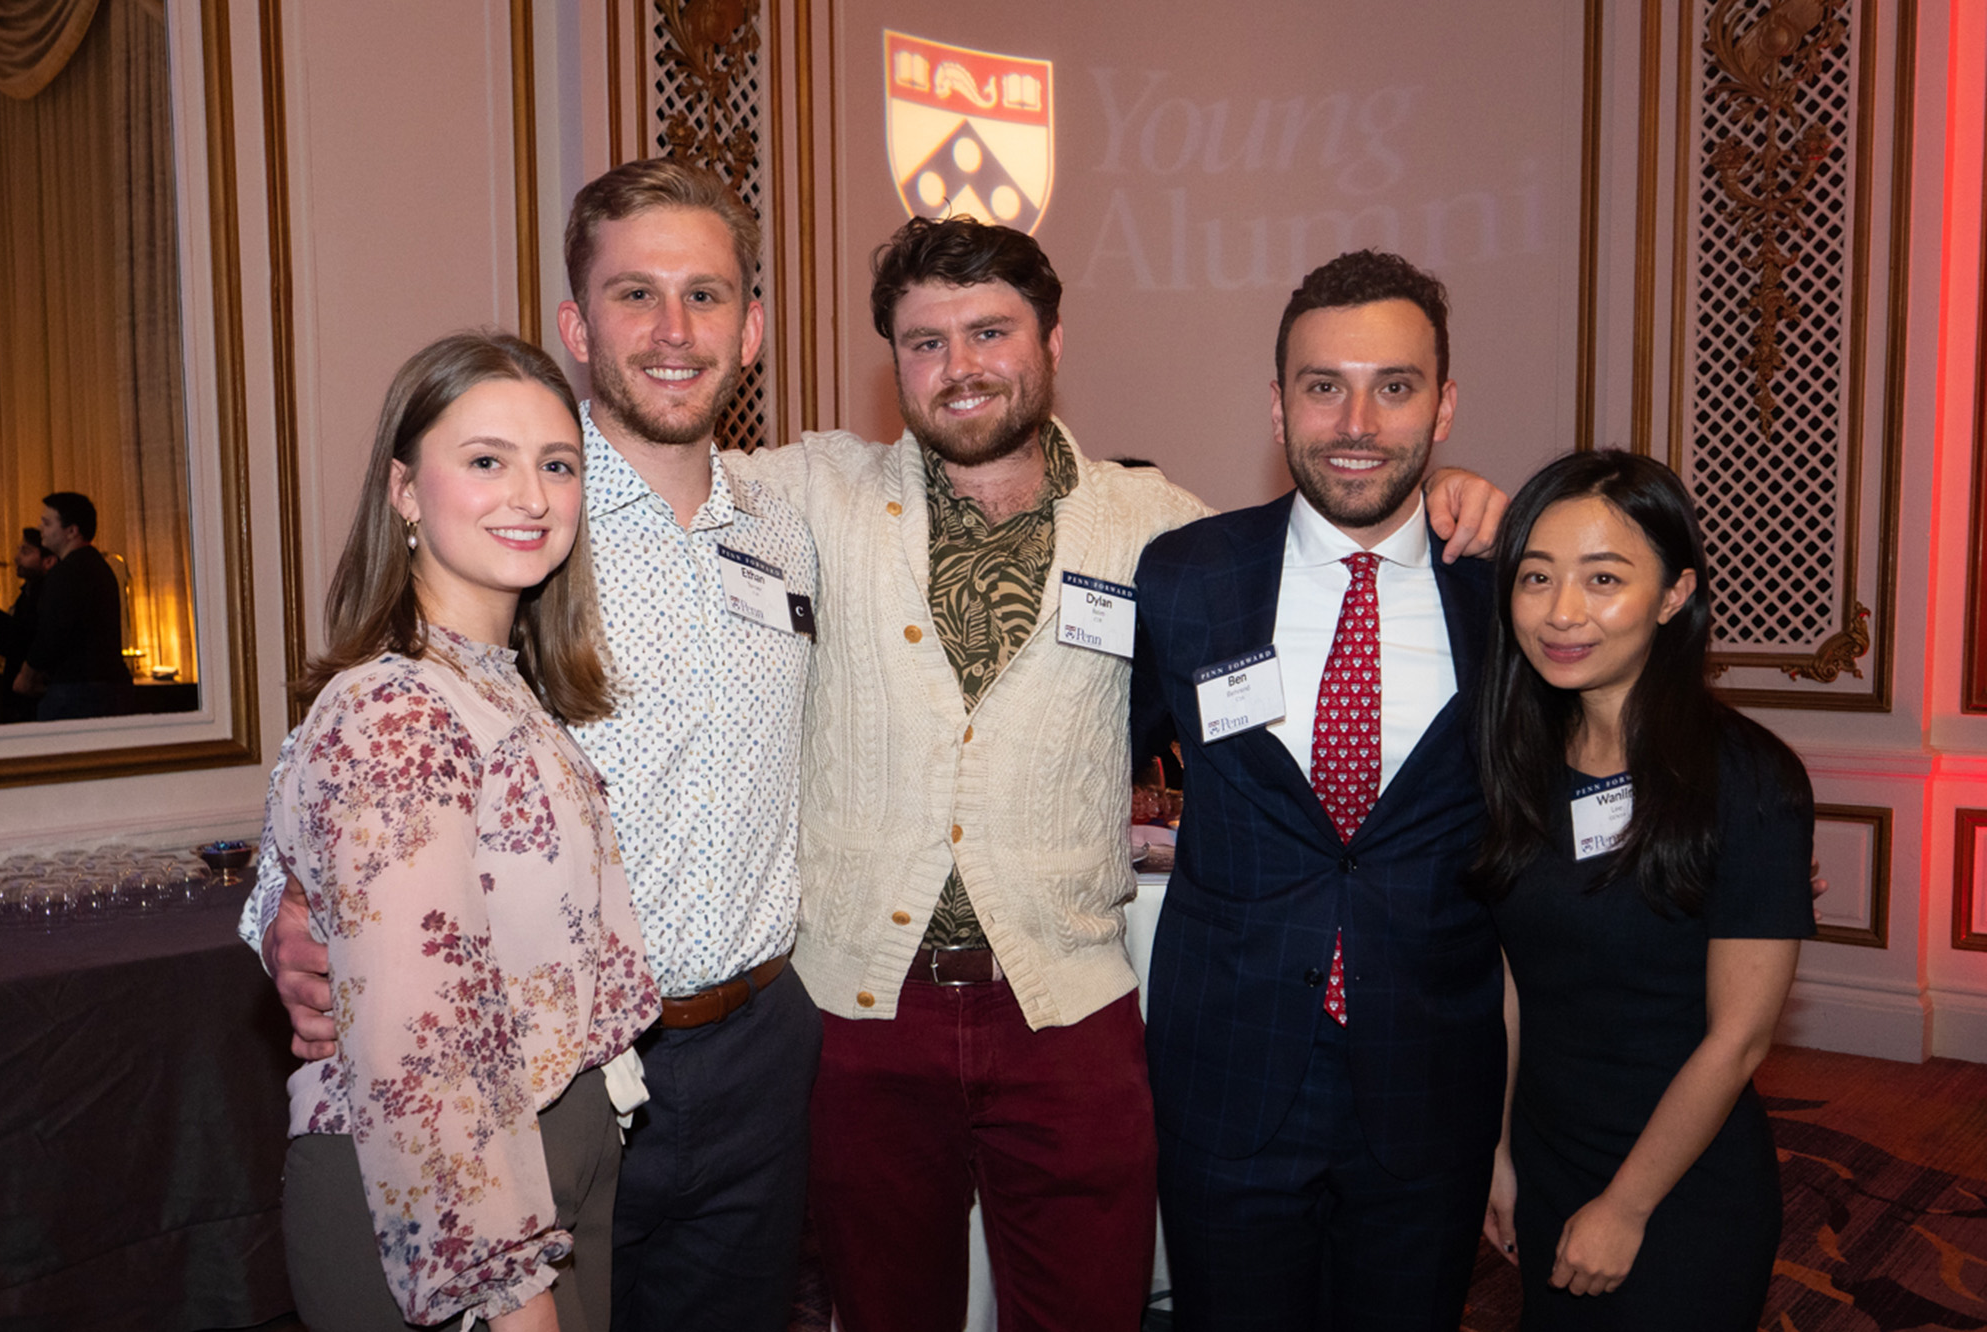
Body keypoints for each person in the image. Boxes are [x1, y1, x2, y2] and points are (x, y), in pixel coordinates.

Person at [739, 221, 1504, 1331]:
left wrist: (1449, 492)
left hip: (1069, 998)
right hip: (864, 996)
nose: (960, 366)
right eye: (924, 342)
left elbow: (1318, 545)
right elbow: (657, 477)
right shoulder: (813, 492)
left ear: (1051, 338)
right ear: (890, 360)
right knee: (880, 1306)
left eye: (990, 330)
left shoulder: (1161, 533)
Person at [244, 159, 822, 1332]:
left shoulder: (794, 524)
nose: (673, 331)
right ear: (575, 324)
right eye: (634, 295)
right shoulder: (512, 522)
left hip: (761, 1049)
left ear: (752, 328)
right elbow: (353, 776)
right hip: (537, 1070)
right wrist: (285, 917)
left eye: (706, 296)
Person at [1131, 249, 1509, 1329]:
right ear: (1276, 404)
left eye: (1393, 386)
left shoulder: (1501, 588)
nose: (1356, 420)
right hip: (1225, 1073)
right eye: (1321, 385)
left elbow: (1613, 720)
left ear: (1442, 407)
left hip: (1427, 1078)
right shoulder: (1187, 574)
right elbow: (1078, 753)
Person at [266, 331, 662, 1331]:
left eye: (556, 464)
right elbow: (421, 1051)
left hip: (549, 1151)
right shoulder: (395, 709)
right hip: (444, 1203)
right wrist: (505, 1291)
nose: (530, 495)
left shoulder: (500, 686)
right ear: (404, 491)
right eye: (486, 460)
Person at [1473, 450, 1812, 1330]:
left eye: (1605, 579)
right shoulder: (1516, 763)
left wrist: (1627, 1206)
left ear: (1673, 595)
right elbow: (1514, 977)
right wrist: (1499, 1149)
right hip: (1548, 1154)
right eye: (1537, 577)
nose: (1563, 613)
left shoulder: (1749, 779)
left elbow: (1738, 1039)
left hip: (1682, 1180)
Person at [19, 492, 134, 719]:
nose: (41, 529)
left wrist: (26, 675)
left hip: (76, 690)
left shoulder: (66, 572)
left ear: (72, 531)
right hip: (108, 687)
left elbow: (51, 632)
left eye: (47, 523)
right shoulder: (99, 567)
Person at [0, 527, 55, 723]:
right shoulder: (27, 593)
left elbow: (27, 638)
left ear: (48, 561)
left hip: (33, 701)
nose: (16, 558)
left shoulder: (45, 595)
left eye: (25, 552)